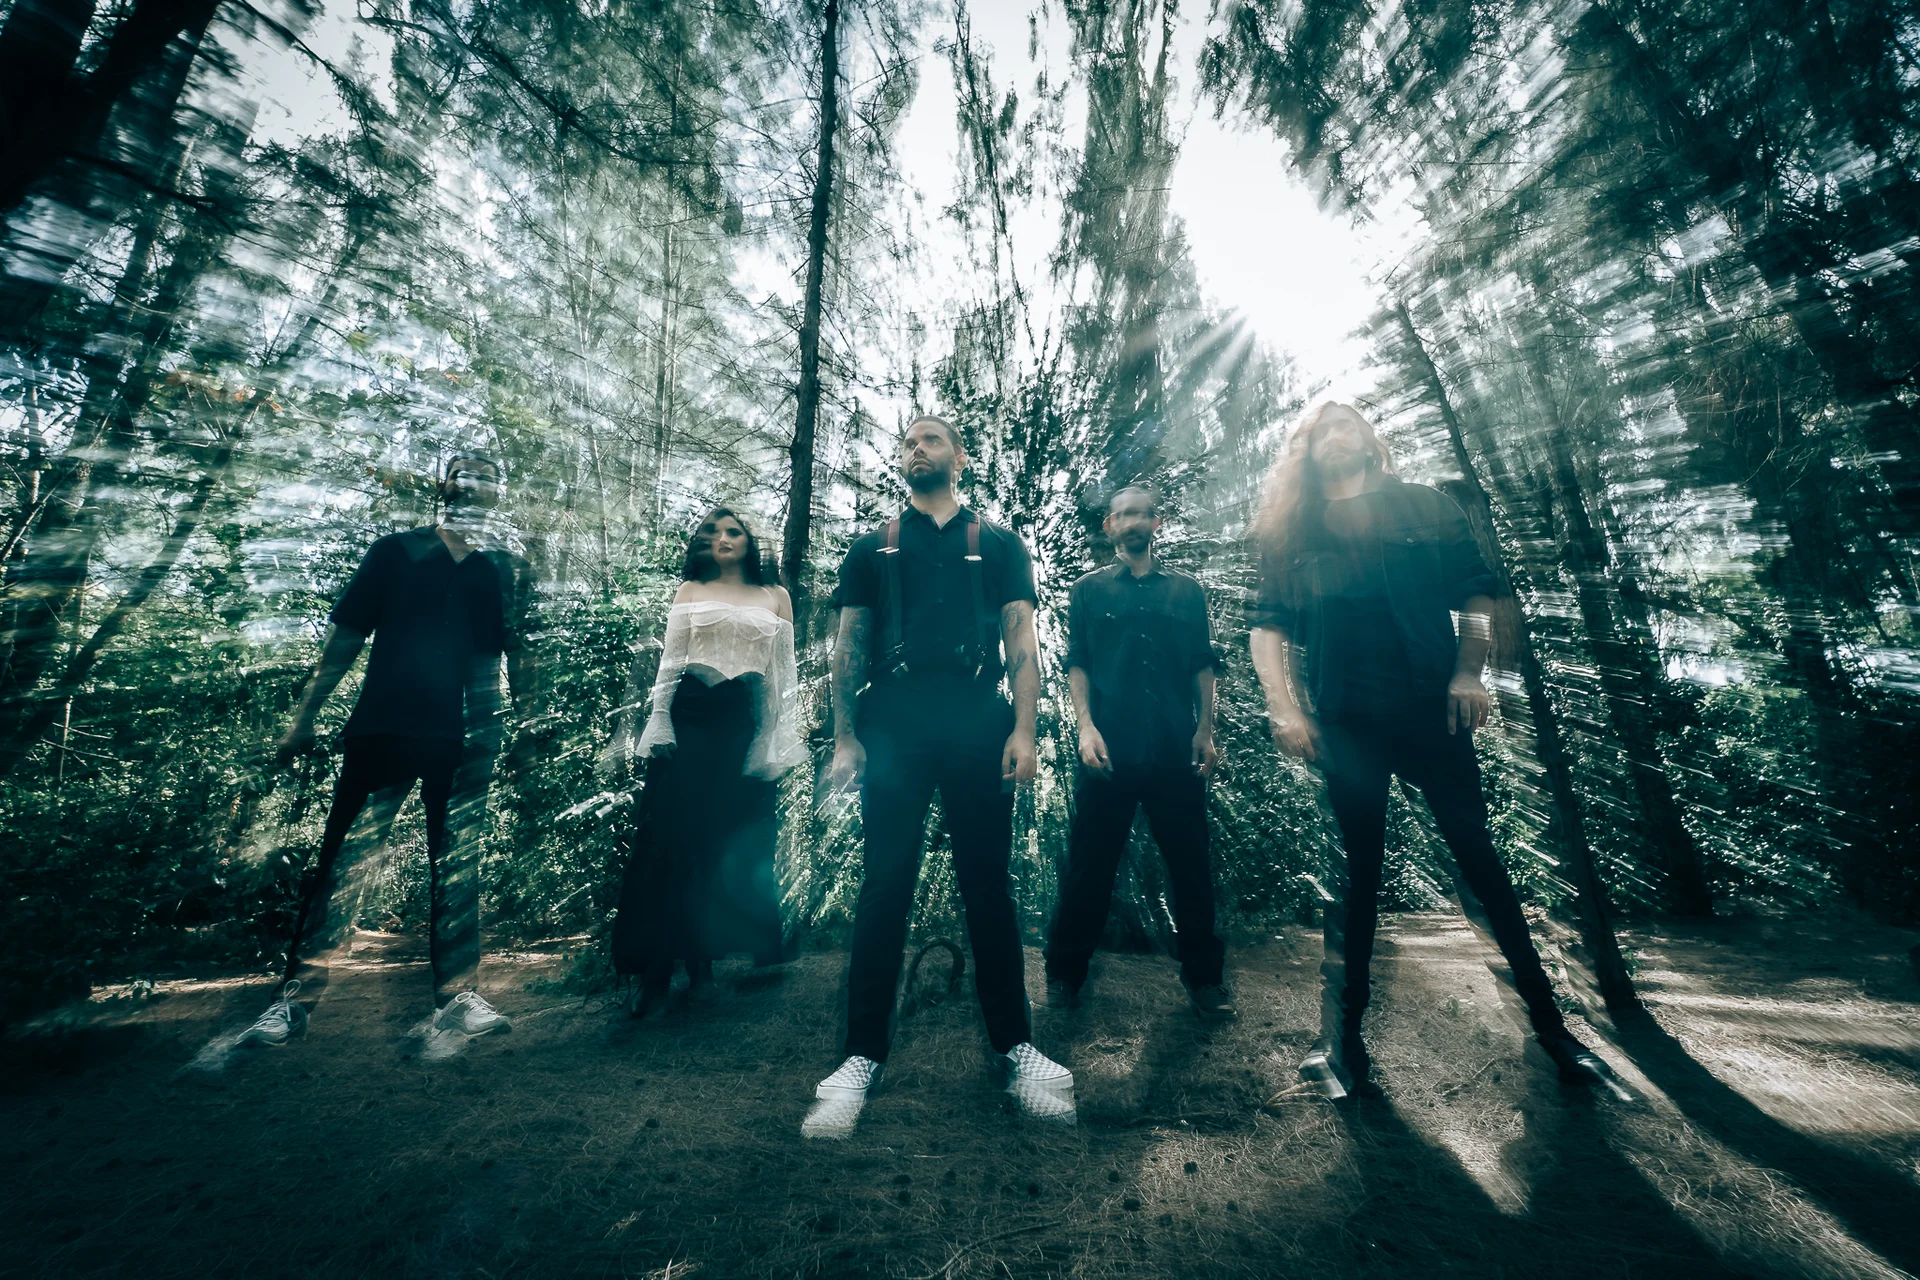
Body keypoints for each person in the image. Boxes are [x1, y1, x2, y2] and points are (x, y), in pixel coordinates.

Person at [1248, 402, 1620, 1099]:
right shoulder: (1293, 531)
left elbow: (1476, 593)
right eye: (1320, 431)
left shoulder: (1425, 506)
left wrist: (1469, 672)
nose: (1335, 436)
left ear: (1368, 439)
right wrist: (1284, 707)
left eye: (1346, 424)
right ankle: (1340, 1044)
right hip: (1347, 724)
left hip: (1432, 710)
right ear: (1306, 451)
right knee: (1356, 880)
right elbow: (1267, 628)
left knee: (1481, 864)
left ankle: (1553, 1034)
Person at [807, 415, 1072, 1138]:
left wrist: (1024, 731)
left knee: (988, 885)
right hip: (892, 723)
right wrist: (845, 738)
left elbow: (1022, 639)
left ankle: (1016, 1047)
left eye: (929, 439)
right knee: (884, 886)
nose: (914, 448)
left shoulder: (1000, 544)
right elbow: (849, 646)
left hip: (977, 720)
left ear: (959, 456)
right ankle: (861, 1055)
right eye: (907, 442)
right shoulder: (871, 548)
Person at [240, 453, 527, 1048]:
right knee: (342, 862)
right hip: (382, 729)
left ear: (497, 493)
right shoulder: (396, 551)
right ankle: (291, 1003)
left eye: (485, 475)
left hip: (464, 740)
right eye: (462, 472)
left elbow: (512, 654)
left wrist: (521, 728)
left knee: (457, 871)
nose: (473, 482)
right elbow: (346, 633)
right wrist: (303, 718)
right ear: (444, 485)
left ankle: (458, 999)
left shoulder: (502, 568)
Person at [599, 507, 803, 1016]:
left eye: (734, 531)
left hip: (741, 725)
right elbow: (671, 661)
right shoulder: (689, 589)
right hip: (688, 721)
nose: (723, 538)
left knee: (722, 843)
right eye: (714, 531)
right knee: (671, 841)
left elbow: (783, 675)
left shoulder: (775, 596)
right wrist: (659, 721)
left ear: (752, 542)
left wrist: (773, 738)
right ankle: (654, 974)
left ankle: (703, 967)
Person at [1042, 484, 1234, 1021]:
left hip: (1176, 747)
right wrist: (1085, 727)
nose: (1132, 521)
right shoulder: (1088, 592)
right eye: (1122, 514)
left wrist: (1206, 729)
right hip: (1109, 750)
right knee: (1089, 867)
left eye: (1142, 514)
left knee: (1191, 867)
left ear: (1156, 523)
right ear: (1109, 525)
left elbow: (1202, 663)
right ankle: (1064, 977)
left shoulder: (1186, 592)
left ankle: (1204, 981)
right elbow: (1078, 662)